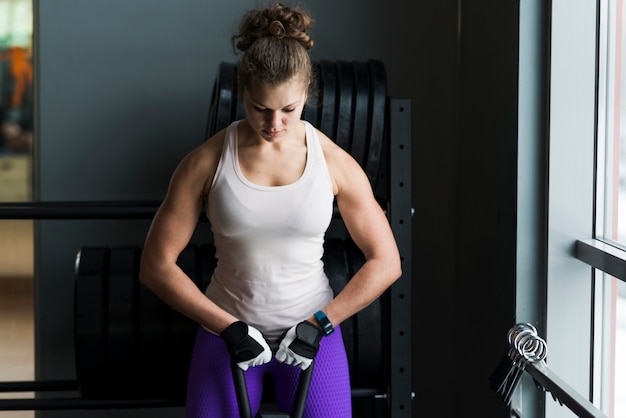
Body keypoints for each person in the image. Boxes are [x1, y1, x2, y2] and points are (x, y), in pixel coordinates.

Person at [139, 2, 402, 417]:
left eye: (289, 109)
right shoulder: (206, 162)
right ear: (243, 92)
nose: (275, 123)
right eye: (261, 108)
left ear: (306, 97)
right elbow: (155, 266)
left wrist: (321, 323)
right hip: (228, 335)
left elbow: (386, 262)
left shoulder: (332, 162)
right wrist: (227, 327)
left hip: (312, 335)